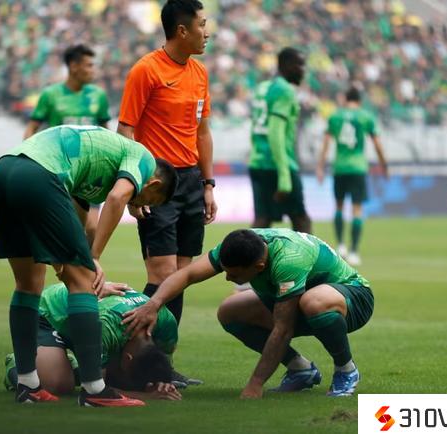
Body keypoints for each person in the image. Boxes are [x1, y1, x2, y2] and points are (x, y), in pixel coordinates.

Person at [0, 125, 177, 406]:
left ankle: (28, 385)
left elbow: (72, 228)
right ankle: (95, 391)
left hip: (3, 173)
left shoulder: (91, 178)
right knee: (84, 281)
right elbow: (117, 198)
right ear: (153, 185)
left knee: (28, 284)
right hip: (41, 174)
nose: (141, 207)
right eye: (149, 201)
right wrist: (93, 258)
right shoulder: (143, 158)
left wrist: (70, 270)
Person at [122, 228, 374, 398]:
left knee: (313, 302)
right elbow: (187, 274)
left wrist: (255, 384)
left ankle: (346, 369)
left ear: (259, 266)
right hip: (302, 299)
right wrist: (153, 304)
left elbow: (283, 328)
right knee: (230, 310)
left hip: (353, 299)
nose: (227, 278)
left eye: (234, 274)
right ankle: (300, 369)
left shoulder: (288, 260)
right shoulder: (240, 244)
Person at [117, 0, 216, 384]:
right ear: (182, 30)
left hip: (191, 181)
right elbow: (125, 130)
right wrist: (134, 187)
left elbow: (202, 132)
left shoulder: (200, 72)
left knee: (180, 278)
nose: (207, 32)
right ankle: (131, 360)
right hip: (157, 183)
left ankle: (163, 366)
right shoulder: (146, 70)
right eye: (202, 24)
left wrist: (208, 184)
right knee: (161, 275)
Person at [3, 282, 182, 402]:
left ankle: (73, 366)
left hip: (83, 322)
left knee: (115, 374)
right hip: (49, 314)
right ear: (127, 358)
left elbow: (161, 361)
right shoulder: (106, 327)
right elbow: (96, 389)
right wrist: (144, 395)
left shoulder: (166, 322)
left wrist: (161, 382)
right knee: (57, 385)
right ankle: (20, 363)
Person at [24, 44, 111, 249]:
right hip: (61, 169)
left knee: (92, 227)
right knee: (65, 227)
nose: (93, 70)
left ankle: (87, 264)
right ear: (73, 66)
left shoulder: (98, 95)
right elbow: (32, 128)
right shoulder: (50, 95)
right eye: (89, 65)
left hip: (92, 169)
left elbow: (106, 131)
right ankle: (69, 265)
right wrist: (30, 157)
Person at [316, 86, 388, 266]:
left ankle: (341, 245)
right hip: (357, 168)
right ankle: (354, 251)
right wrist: (384, 165)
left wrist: (320, 166)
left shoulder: (335, 117)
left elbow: (326, 143)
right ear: (359, 100)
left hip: (340, 167)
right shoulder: (365, 116)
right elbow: (377, 144)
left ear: (345, 99)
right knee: (357, 209)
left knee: (339, 206)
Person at [249, 47, 311, 233]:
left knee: (262, 219)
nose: (303, 71)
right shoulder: (285, 90)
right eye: (300, 65)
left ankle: (244, 252)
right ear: (287, 65)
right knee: (300, 219)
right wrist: (284, 175)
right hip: (279, 163)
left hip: (258, 161)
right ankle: (307, 253)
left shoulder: (262, 88)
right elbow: (275, 133)